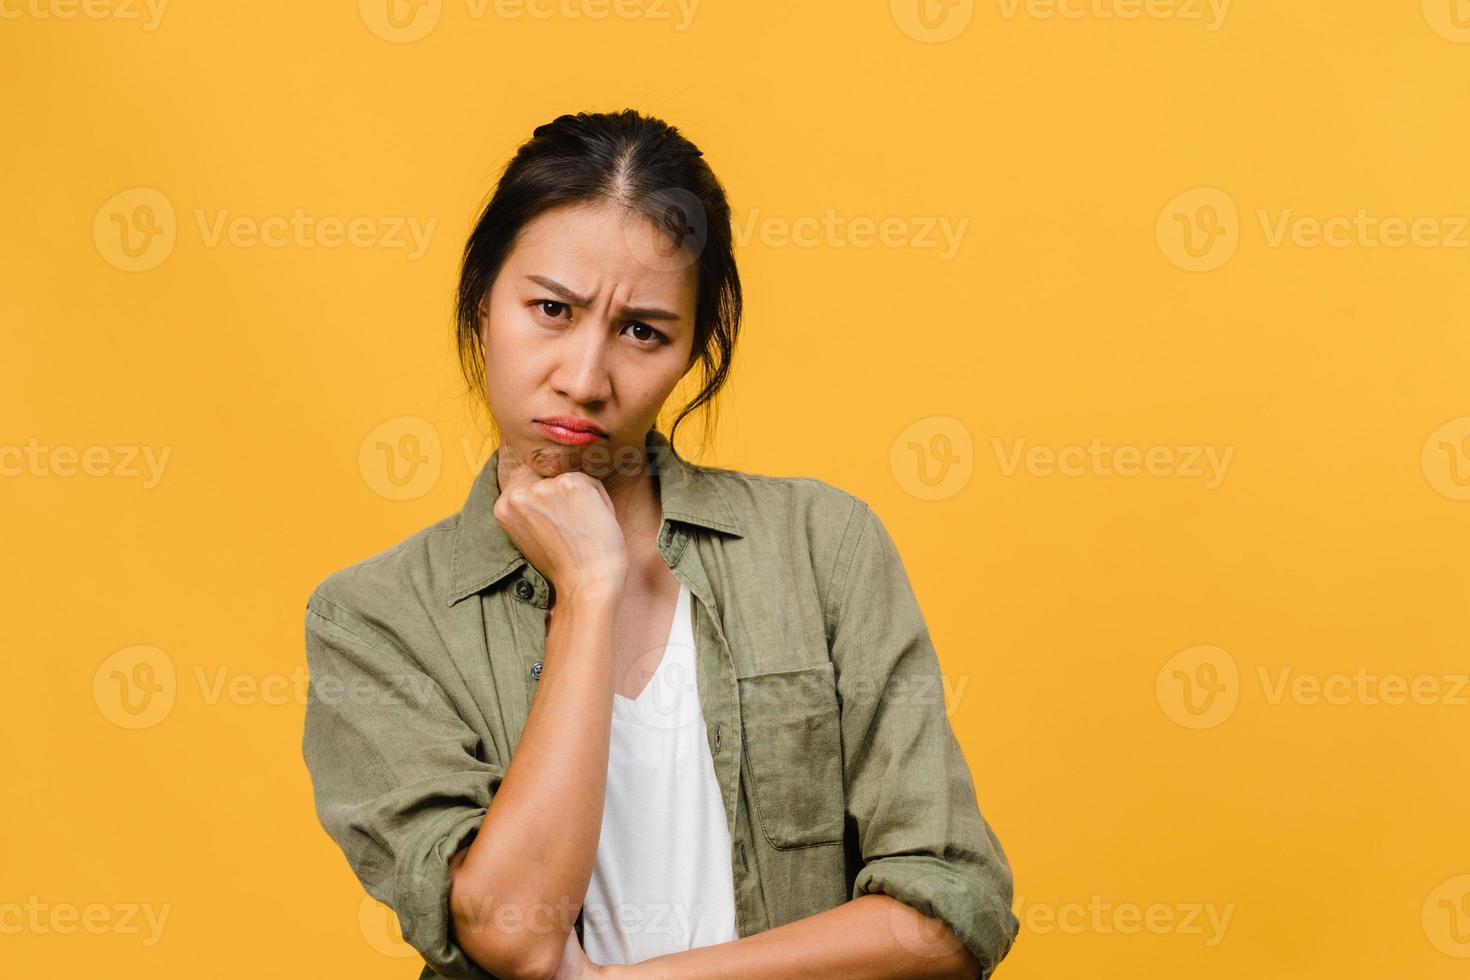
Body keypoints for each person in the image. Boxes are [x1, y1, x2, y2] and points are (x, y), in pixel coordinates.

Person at [301, 108, 1019, 980]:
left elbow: (950, 910)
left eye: (642, 330)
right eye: (551, 310)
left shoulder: (821, 546)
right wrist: (591, 591)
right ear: (481, 298)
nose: (585, 377)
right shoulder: (375, 618)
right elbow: (514, 937)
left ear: (692, 351)